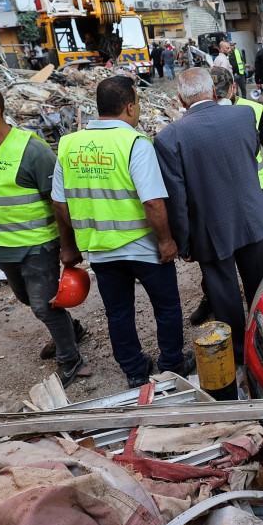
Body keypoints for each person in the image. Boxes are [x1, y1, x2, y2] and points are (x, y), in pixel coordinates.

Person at [52, 76, 192, 388]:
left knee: (118, 313)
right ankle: (171, 363)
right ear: (129, 107)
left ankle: (134, 370)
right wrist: (167, 241)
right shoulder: (134, 143)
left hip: (100, 248)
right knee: (166, 307)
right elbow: (153, 202)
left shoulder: (69, 145)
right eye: (138, 103)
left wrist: (73, 240)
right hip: (143, 246)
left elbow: (59, 201)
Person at [0, 83, 90, 387]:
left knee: (45, 305)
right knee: (27, 298)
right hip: (1, 246)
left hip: (38, 246)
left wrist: (69, 247)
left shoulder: (31, 151)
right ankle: (72, 330)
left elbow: (59, 201)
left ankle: (72, 361)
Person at [154, 68, 263, 360]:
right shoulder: (244, 116)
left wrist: (184, 243)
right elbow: (252, 154)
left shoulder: (169, 137)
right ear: (214, 90)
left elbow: (176, 199)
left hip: (210, 230)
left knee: (224, 297)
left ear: (180, 99)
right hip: (252, 218)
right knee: (261, 287)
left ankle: (239, 354)